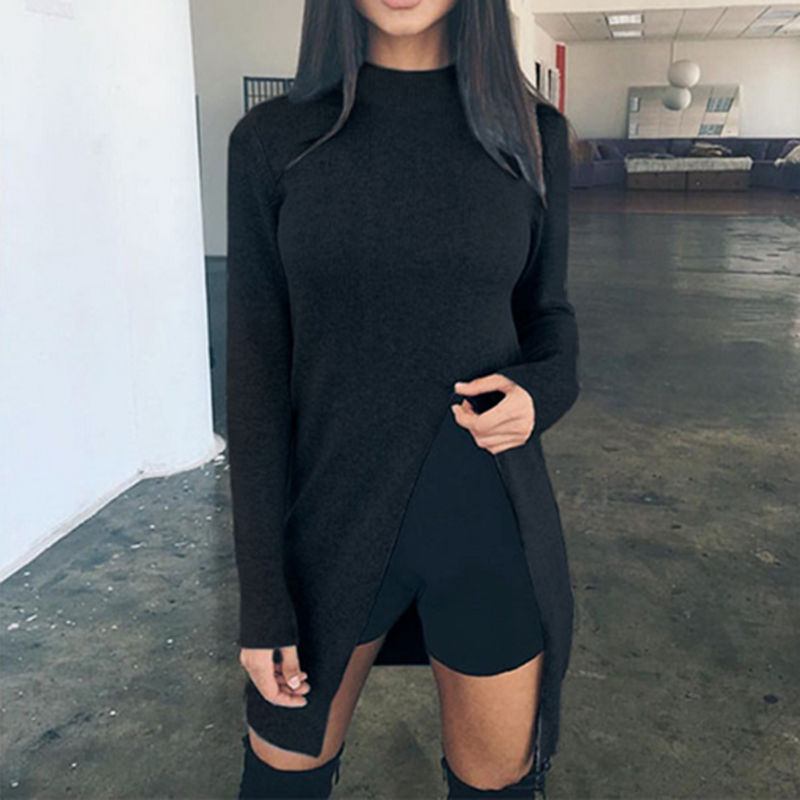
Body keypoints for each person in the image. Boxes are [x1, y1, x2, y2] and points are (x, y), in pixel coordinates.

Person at [226, 0, 581, 797]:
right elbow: (254, 383)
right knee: (280, 781)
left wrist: (540, 393)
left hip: (488, 517)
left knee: (498, 786)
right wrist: (261, 600)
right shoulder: (272, 141)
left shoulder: (530, 136)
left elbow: (549, 318)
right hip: (328, 522)